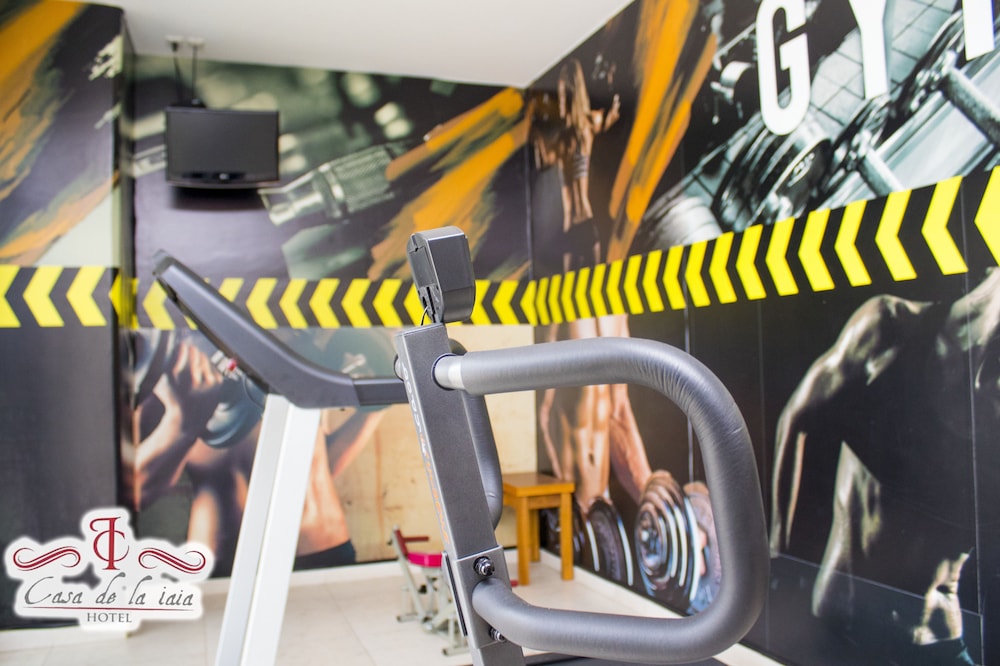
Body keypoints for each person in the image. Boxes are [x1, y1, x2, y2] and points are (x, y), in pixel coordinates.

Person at [770, 270, 1000, 665]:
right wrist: (781, 560)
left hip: (937, 640)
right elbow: (798, 419)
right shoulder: (889, 328)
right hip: (844, 623)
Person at [122, 329, 390, 575]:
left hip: (322, 546)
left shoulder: (297, 351)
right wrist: (181, 423)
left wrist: (375, 409)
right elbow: (135, 491)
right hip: (227, 558)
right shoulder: (170, 362)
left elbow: (315, 465)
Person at [538, 314, 720, 612]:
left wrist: (666, 514)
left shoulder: (615, 316)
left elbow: (619, 414)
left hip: (600, 497)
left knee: (600, 597)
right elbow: (545, 416)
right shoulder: (561, 317)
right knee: (577, 598)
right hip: (573, 491)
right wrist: (560, 486)